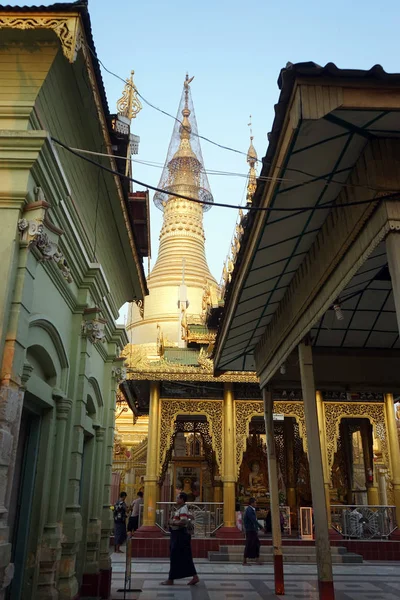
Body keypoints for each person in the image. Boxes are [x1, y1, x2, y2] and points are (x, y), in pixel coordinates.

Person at [161, 492, 199, 586]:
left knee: (174, 557)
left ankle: (171, 579)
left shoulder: (183, 509)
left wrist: (172, 522)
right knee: (185, 556)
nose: (176, 499)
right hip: (179, 536)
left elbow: (183, 522)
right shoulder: (181, 509)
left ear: (182, 499)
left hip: (180, 536)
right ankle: (194, 576)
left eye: (177, 498)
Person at [243, 497, 263, 565]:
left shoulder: (251, 510)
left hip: (252, 530)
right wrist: (261, 527)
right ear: (252, 503)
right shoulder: (249, 510)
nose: (256, 504)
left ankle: (256, 559)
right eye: (255, 502)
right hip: (250, 530)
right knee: (249, 544)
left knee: (256, 544)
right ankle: (245, 561)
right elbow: (253, 520)